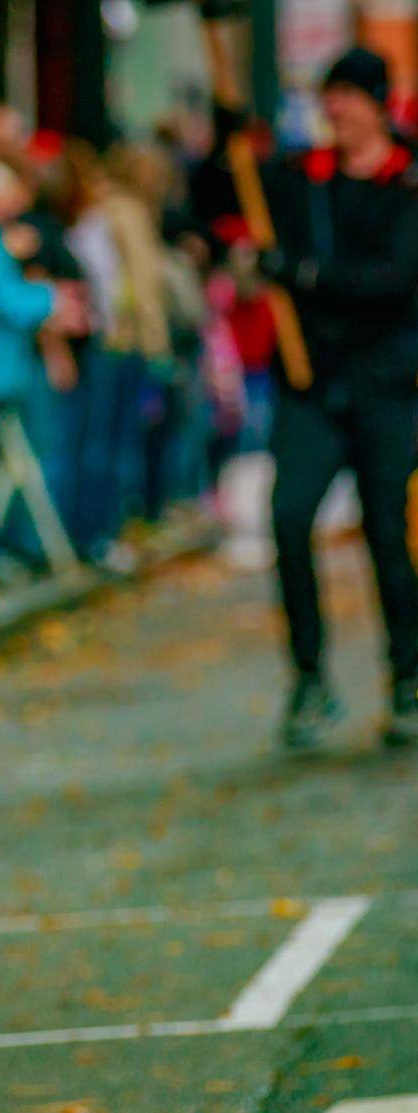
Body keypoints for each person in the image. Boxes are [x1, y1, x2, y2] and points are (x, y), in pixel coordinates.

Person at [231, 48, 418, 747]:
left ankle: (408, 675)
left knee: (387, 535)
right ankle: (309, 680)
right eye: (328, 96)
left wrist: (301, 273)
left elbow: (393, 277)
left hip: (386, 388)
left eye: (346, 96)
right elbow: (228, 184)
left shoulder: (408, 181)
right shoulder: (302, 176)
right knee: (289, 519)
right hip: (309, 386)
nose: (333, 109)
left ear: (378, 102)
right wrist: (230, 132)